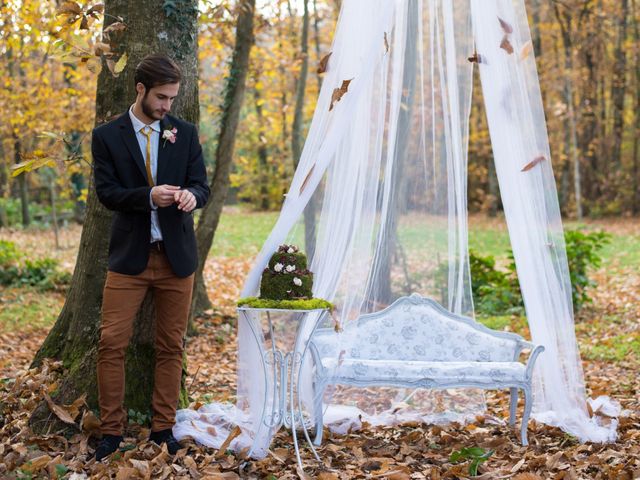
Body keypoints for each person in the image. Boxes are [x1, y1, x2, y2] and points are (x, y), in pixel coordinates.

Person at [92, 54, 209, 461]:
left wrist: (193, 196)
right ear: (140, 89)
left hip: (176, 258)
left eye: (172, 99)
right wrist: (147, 196)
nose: (166, 107)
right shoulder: (107, 136)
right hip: (129, 259)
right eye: (161, 97)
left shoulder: (185, 132)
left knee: (171, 346)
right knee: (110, 343)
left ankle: (163, 429)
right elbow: (106, 194)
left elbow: (201, 184)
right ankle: (110, 432)